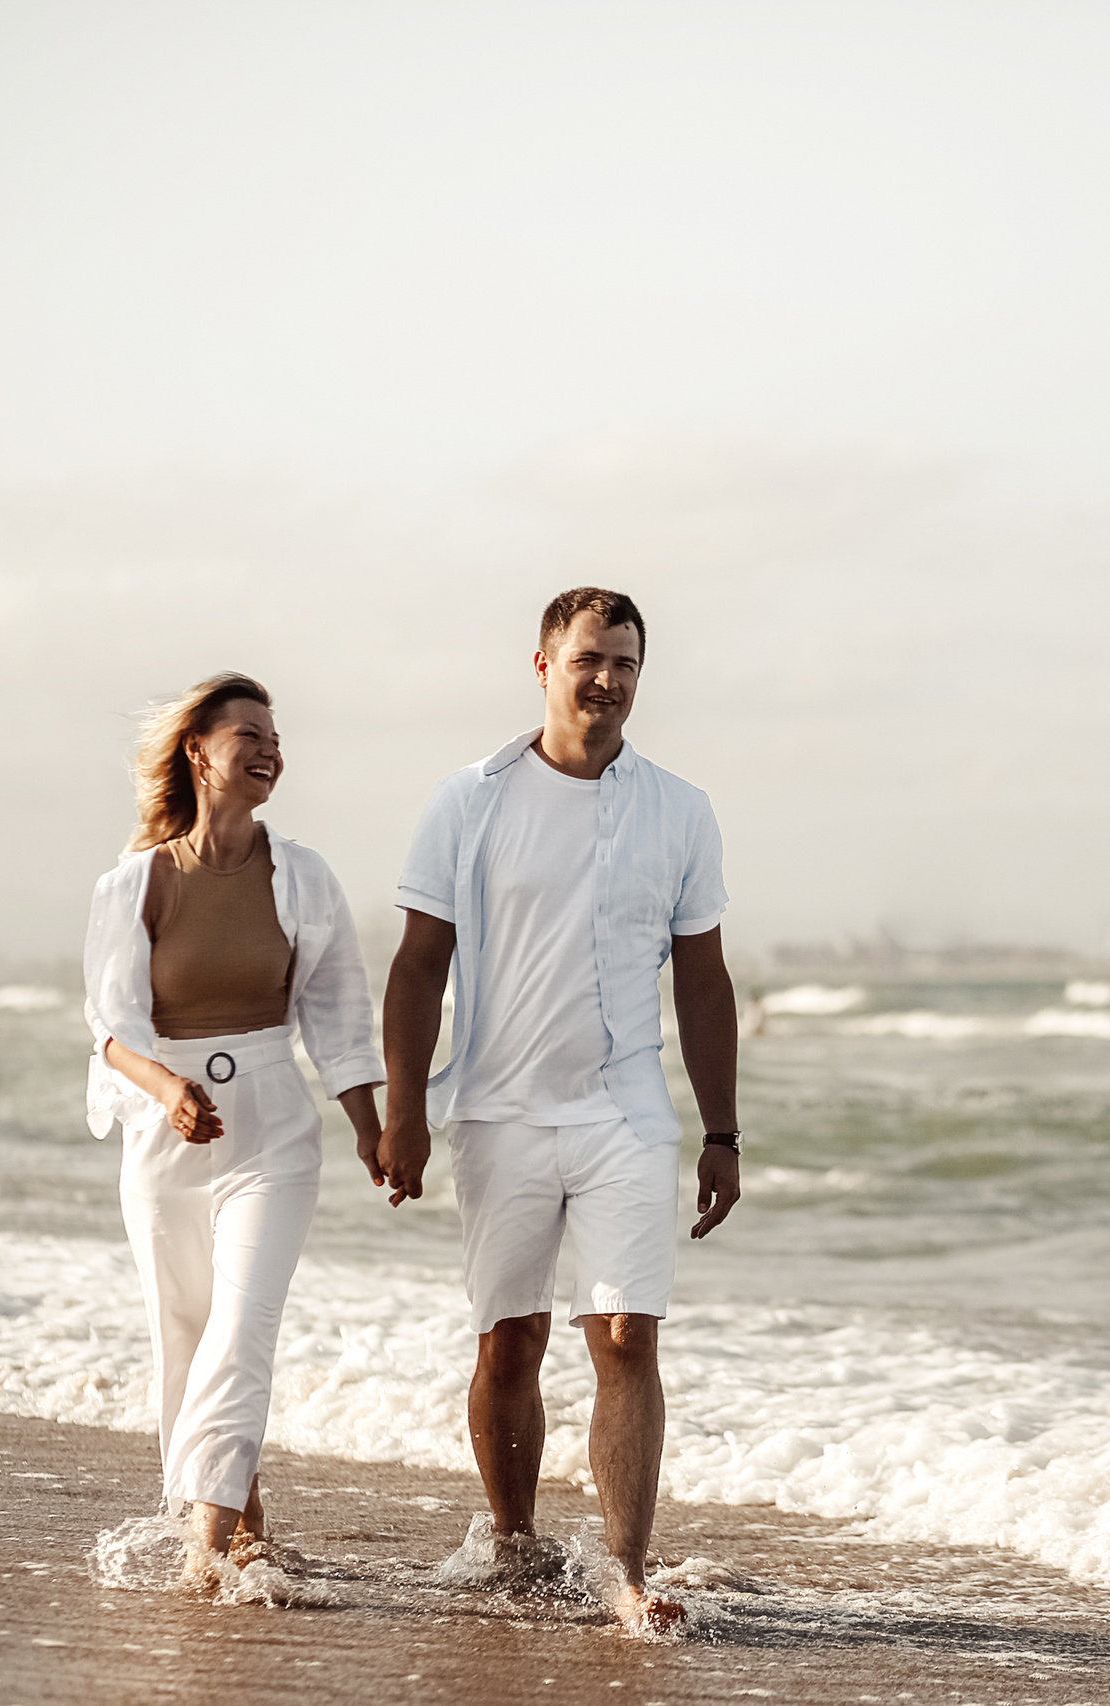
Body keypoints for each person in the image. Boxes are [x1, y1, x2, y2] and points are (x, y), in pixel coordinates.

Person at [379, 587, 742, 1635]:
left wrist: (720, 1129)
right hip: (496, 1111)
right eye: (590, 657)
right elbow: (416, 964)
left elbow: (704, 981)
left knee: (625, 1331)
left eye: (627, 662)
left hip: (625, 1115)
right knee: (511, 1341)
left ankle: (627, 1569)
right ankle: (511, 1536)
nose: (610, 679)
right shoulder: (468, 801)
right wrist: (405, 1109)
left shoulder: (680, 810)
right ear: (541, 664)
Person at [80, 672, 386, 1578]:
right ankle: (241, 1522)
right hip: (165, 1129)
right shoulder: (135, 883)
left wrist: (372, 1126)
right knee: (186, 1330)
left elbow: (336, 1012)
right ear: (198, 753)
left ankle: (206, 1550)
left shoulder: (304, 875)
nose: (268, 749)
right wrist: (167, 1089)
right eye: (247, 733)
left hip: (273, 1127)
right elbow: (109, 1027)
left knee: (243, 1328)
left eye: (275, 737)